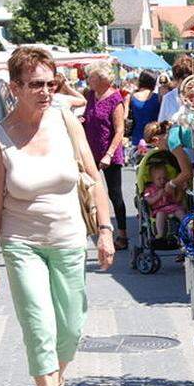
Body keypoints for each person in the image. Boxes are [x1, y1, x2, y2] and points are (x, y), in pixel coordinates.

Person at [0, 46, 115, 386]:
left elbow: (93, 176)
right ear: (14, 88)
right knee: (39, 323)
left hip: (69, 237)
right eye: (35, 85)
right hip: (22, 242)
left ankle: (57, 380)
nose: (45, 92)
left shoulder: (64, 120)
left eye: (50, 83)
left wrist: (104, 230)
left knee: (70, 326)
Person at [81, 61, 130, 251]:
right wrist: (82, 121)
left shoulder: (115, 98)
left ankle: (122, 235)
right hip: (90, 151)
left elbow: (119, 130)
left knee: (115, 194)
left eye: (90, 77)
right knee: (87, 191)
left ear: (100, 78)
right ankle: (91, 229)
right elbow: (88, 117)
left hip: (110, 153)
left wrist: (109, 154)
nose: (87, 80)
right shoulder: (91, 95)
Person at [142, 160, 185, 240]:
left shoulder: (169, 185)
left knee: (181, 212)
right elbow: (148, 201)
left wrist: (171, 192)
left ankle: (187, 229)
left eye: (164, 178)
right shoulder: (149, 189)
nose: (162, 181)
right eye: (159, 179)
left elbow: (176, 199)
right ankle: (160, 233)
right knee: (160, 215)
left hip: (172, 206)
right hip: (159, 209)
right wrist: (158, 196)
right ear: (152, 179)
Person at [157, 56, 194, 123]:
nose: (189, 82)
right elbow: (162, 124)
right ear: (177, 79)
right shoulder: (168, 98)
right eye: (185, 78)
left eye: (193, 78)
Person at [128, 72, 161, 153]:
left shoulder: (131, 97)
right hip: (153, 137)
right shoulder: (158, 98)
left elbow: (126, 117)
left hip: (136, 137)